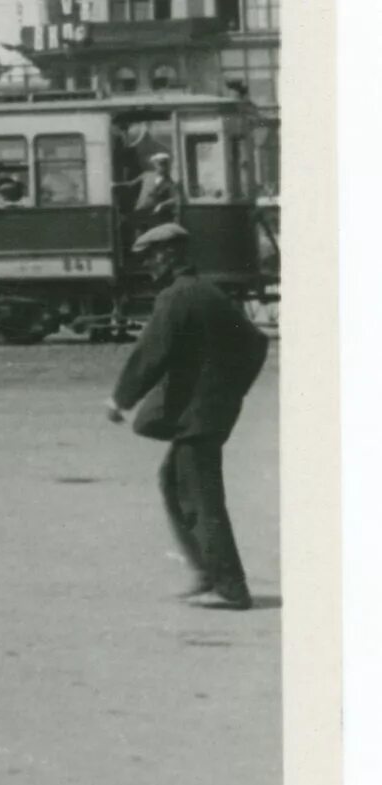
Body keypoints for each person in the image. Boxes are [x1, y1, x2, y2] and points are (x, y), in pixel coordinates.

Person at [106, 223, 270, 610]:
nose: (147, 266)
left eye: (150, 257)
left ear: (169, 255)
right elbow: (256, 343)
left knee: (199, 495)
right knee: (174, 482)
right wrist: (230, 390)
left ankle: (229, 587)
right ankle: (209, 573)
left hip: (198, 415)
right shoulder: (206, 291)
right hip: (207, 411)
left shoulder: (177, 297)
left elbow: (150, 353)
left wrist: (120, 400)